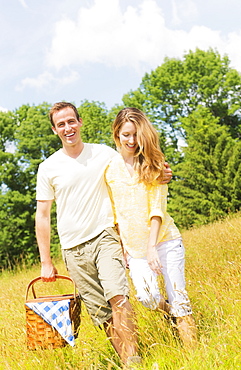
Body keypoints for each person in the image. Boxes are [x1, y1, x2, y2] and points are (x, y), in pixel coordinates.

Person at [35, 102, 172, 367]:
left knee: (118, 297)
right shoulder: (48, 167)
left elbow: (135, 162)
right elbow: (42, 216)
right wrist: (45, 261)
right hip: (73, 249)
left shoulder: (104, 154)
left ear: (80, 122)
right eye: (61, 124)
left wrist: (162, 173)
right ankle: (127, 360)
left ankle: (136, 360)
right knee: (101, 314)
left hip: (105, 236)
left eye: (71, 121)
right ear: (55, 130)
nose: (67, 128)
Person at [105, 107, 197, 349]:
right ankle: (172, 314)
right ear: (117, 135)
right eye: (126, 135)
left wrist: (152, 247)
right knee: (147, 298)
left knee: (180, 299)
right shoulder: (109, 169)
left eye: (136, 134)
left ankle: (195, 355)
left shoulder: (154, 163)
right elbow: (115, 213)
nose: (132, 141)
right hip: (135, 250)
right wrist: (123, 246)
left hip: (165, 242)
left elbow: (157, 209)